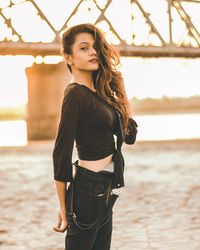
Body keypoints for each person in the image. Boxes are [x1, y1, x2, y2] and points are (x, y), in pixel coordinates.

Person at [52, 23, 134, 250]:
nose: (93, 52)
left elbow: (129, 135)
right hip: (87, 189)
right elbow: (61, 152)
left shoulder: (100, 96)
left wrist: (122, 91)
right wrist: (62, 206)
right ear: (68, 57)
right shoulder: (75, 94)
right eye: (84, 48)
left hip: (106, 188)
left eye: (95, 47)